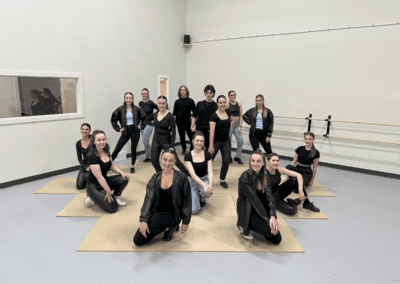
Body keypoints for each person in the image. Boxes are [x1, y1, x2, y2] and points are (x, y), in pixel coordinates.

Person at [133, 151, 191, 246]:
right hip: (157, 213)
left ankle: (172, 225)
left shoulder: (182, 177)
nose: (167, 163)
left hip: (173, 214)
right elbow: (148, 200)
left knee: (154, 224)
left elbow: (187, 201)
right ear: (161, 159)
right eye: (165, 159)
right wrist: (144, 220)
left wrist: (186, 222)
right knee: (138, 240)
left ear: (175, 161)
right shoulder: (155, 178)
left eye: (170, 161)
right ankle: (167, 228)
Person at [236, 149, 282, 244]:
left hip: (260, 207)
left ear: (263, 163)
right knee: (270, 231)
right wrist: (268, 220)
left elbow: (269, 197)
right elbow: (254, 200)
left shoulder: (265, 177)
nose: (255, 164)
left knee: (277, 239)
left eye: (258, 161)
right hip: (247, 209)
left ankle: (257, 223)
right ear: (250, 162)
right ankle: (244, 224)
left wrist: (273, 216)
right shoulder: (245, 177)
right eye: (253, 161)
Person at [85, 130, 130, 213]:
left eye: (103, 139)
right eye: (98, 140)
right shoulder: (92, 156)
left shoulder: (106, 151)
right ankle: (91, 197)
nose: (102, 142)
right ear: (94, 142)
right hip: (94, 186)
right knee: (112, 208)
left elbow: (111, 166)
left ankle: (115, 198)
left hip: (104, 181)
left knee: (125, 178)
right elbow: (99, 176)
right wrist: (108, 190)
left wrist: (122, 173)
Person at [147, 96, 189, 176]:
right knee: (154, 161)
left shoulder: (170, 116)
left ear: (166, 104)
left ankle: (189, 176)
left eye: (163, 103)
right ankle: (162, 176)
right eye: (159, 103)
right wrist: (153, 124)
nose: (161, 105)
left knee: (176, 161)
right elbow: (146, 120)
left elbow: (173, 132)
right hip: (156, 140)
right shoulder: (155, 114)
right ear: (157, 104)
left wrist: (172, 146)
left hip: (167, 141)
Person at [111, 92, 146, 173]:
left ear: (132, 99)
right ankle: (108, 164)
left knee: (133, 149)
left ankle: (132, 166)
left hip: (135, 131)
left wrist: (141, 126)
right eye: (127, 98)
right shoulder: (120, 109)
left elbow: (144, 117)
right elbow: (113, 119)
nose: (128, 99)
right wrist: (118, 129)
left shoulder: (136, 109)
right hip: (125, 131)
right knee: (117, 149)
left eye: (130, 98)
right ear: (124, 99)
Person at [285, 132, 321, 212]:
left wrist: (312, 180)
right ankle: (300, 201)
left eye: (310, 139)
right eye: (306, 139)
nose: (307, 141)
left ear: (313, 139)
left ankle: (303, 202)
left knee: (297, 186)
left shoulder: (316, 152)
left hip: (307, 172)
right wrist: (288, 174)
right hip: (298, 169)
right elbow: (293, 162)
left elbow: (315, 168)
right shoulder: (299, 149)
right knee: (288, 167)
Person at [184, 131, 213, 214]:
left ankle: (201, 197)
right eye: (197, 140)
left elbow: (210, 171)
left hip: (204, 179)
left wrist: (209, 185)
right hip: (192, 182)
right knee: (194, 211)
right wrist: (204, 185)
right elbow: (193, 175)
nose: (199, 143)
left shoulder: (207, 155)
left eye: (201, 141)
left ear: (204, 142)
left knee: (207, 193)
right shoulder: (188, 156)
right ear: (193, 141)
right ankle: (196, 194)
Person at [209, 95, 234, 188]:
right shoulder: (214, 115)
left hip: (226, 141)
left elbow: (233, 120)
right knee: (209, 160)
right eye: (221, 102)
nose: (222, 104)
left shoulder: (228, 112)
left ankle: (222, 180)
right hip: (216, 142)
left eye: (224, 102)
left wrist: (228, 126)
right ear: (217, 104)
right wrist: (211, 146)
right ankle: (202, 177)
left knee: (226, 161)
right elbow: (211, 132)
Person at [191, 85, 218, 151]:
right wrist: (192, 126)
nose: (208, 95)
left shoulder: (216, 106)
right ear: (205, 93)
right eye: (207, 93)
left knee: (207, 149)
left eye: (210, 93)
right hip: (199, 129)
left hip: (210, 130)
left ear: (213, 94)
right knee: (195, 147)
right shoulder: (199, 104)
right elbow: (194, 116)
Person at [173, 85, 196, 155]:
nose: (183, 91)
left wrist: (192, 117)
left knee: (191, 136)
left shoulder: (191, 101)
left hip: (188, 122)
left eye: (184, 90)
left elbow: (195, 112)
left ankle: (192, 148)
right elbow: (174, 113)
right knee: (182, 136)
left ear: (186, 91)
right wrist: (174, 122)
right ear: (179, 92)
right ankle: (184, 149)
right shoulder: (177, 102)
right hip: (179, 122)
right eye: (181, 90)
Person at [139, 88, 158, 162]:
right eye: (143, 94)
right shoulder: (140, 103)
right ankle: (148, 156)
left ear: (148, 94)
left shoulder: (151, 103)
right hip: (142, 124)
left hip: (149, 123)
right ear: (141, 94)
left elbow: (159, 109)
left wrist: (154, 118)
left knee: (145, 140)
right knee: (145, 141)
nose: (144, 95)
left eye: (145, 94)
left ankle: (150, 156)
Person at [227, 90, 244, 164]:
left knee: (240, 140)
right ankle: (228, 156)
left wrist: (240, 126)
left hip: (237, 124)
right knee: (228, 142)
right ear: (228, 96)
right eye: (231, 95)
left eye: (234, 95)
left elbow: (241, 116)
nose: (233, 96)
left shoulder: (239, 104)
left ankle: (237, 157)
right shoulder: (227, 104)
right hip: (230, 124)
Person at [76, 123, 91, 189]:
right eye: (83, 129)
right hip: (85, 164)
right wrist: (86, 167)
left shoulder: (94, 140)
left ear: (90, 131)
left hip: (94, 163)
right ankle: (88, 179)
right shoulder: (78, 143)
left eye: (87, 129)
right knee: (79, 186)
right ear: (80, 130)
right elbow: (79, 158)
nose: (84, 131)